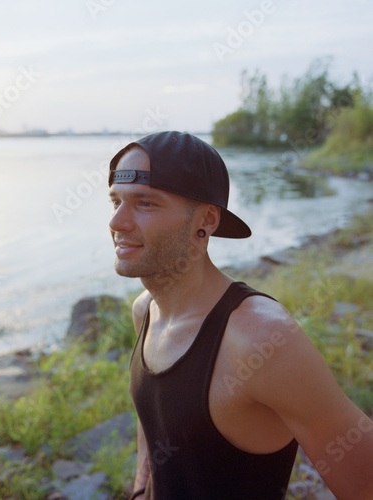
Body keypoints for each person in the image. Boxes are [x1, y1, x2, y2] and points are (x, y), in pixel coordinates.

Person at [107, 131, 373, 500]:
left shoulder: (260, 339)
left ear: (207, 220)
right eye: (116, 201)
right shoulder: (145, 311)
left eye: (145, 203)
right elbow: (153, 430)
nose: (117, 222)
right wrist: (140, 489)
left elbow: (364, 482)